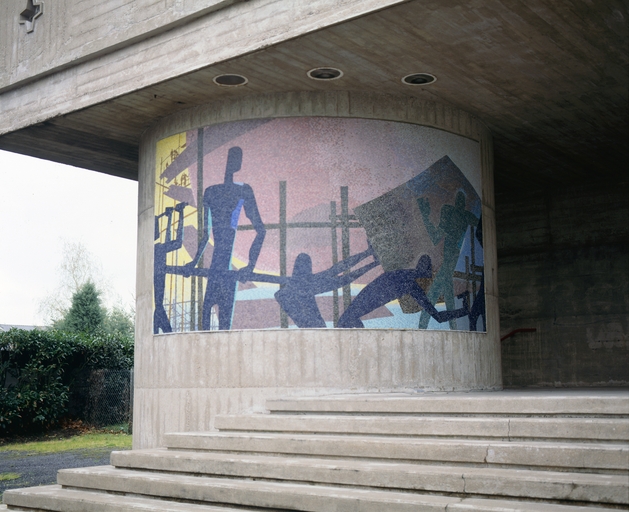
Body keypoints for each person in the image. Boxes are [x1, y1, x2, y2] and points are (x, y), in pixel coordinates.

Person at [183, 147, 265, 330]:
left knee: (223, 329)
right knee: (207, 327)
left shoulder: (242, 190)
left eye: (235, 158)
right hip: (218, 272)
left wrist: (250, 266)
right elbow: (205, 235)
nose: (232, 162)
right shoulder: (212, 192)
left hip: (226, 272)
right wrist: (193, 263)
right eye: (231, 158)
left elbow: (261, 230)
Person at [337, 254, 469, 328]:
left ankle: (465, 308)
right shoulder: (352, 313)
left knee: (437, 315)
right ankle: (465, 308)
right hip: (397, 284)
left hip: (395, 283)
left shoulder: (351, 314)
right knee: (437, 316)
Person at [417, 191, 479, 329]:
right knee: (448, 296)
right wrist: (425, 217)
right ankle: (452, 328)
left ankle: (422, 327)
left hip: (450, 262)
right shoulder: (459, 215)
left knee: (433, 295)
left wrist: (425, 216)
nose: (459, 203)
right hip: (450, 261)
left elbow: (435, 237)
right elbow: (436, 238)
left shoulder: (454, 214)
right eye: (459, 200)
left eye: (461, 201)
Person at [273, 247, 378, 328]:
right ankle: (370, 256)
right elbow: (340, 275)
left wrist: (369, 257)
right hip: (318, 329)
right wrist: (371, 261)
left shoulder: (285, 291)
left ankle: (370, 255)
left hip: (316, 329)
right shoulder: (307, 285)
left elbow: (337, 272)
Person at [153, 202, 187, 334]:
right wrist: (180, 214)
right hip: (158, 304)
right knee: (159, 308)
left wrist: (170, 217)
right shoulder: (158, 249)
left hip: (158, 304)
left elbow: (168, 241)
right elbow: (177, 242)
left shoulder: (155, 249)